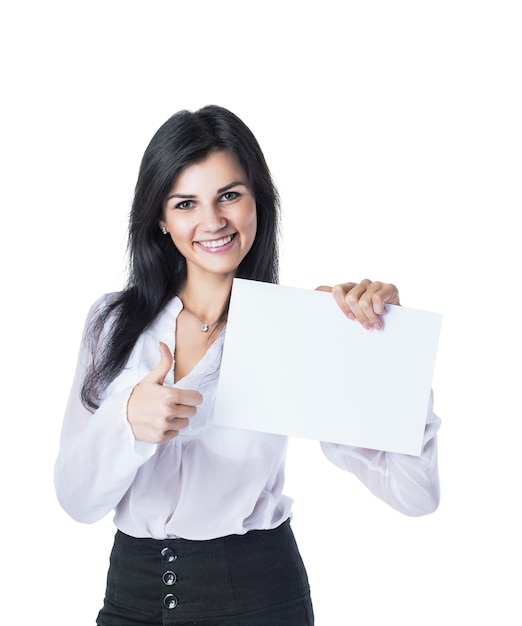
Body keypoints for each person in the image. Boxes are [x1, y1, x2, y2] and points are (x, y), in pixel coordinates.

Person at [54, 105, 441, 625]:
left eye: (230, 196)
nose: (212, 222)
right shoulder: (113, 322)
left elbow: (416, 496)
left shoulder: (299, 329)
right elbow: (77, 501)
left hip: (256, 601)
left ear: (259, 201)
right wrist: (127, 422)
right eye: (186, 203)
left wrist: (391, 354)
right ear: (161, 220)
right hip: (130, 600)